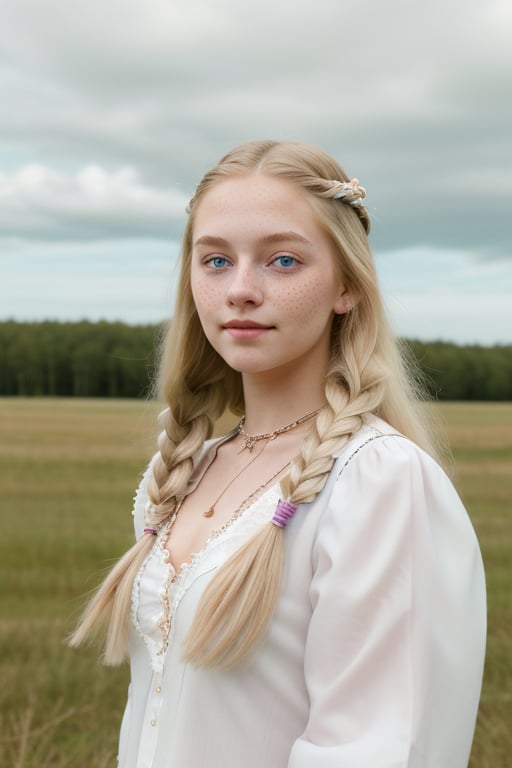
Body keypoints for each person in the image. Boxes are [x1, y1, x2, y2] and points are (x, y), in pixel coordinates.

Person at [70, 140, 486, 767]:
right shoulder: (183, 472)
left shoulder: (374, 481)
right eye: (215, 260)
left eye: (283, 260)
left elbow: (370, 749)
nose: (240, 289)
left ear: (346, 285)